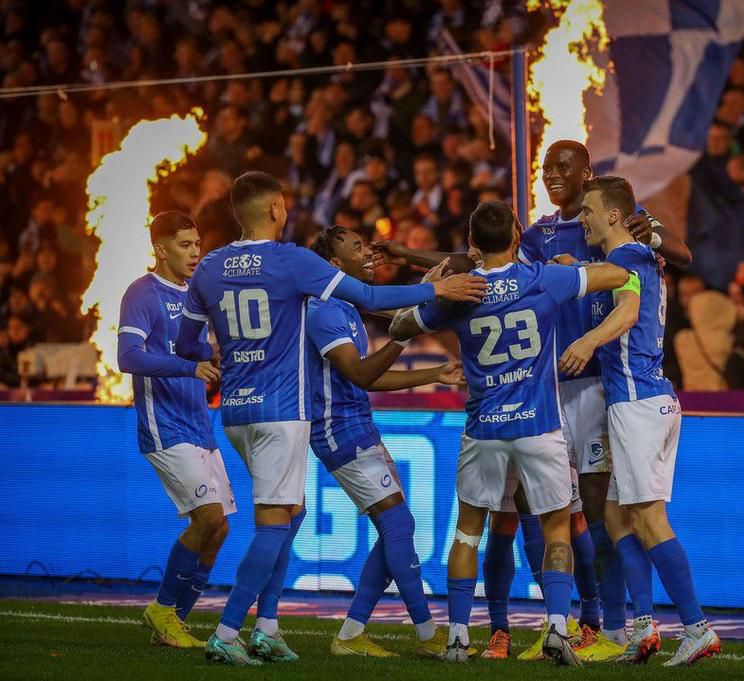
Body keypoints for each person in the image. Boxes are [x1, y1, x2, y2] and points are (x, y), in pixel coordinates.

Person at [372, 140, 691, 662]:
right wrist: (412, 256)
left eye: (562, 167)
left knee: (590, 509)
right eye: (545, 168)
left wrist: (649, 232)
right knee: (536, 514)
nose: (551, 176)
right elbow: (478, 260)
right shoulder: (540, 243)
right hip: (543, 392)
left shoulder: (617, 221)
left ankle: (600, 622)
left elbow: (677, 255)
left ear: (589, 174)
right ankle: (542, 626)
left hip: (587, 384)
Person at [174, 171, 486, 667]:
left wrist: (230, 354)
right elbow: (371, 301)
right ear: (276, 208)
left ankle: (269, 627)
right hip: (287, 412)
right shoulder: (296, 264)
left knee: (290, 516)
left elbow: (186, 345)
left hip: (234, 410)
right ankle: (229, 631)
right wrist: (437, 290)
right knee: (278, 523)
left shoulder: (209, 267)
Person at [389, 200, 631, 666]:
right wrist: (573, 266)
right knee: (556, 528)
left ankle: (459, 637)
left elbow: (400, 324)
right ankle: (559, 629)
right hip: (539, 426)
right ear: (517, 239)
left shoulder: (460, 292)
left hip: (484, 428)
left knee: (466, 533)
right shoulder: (542, 278)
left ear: (472, 245)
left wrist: (428, 290)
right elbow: (617, 278)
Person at [558, 176, 720, 667]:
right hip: (647, 400)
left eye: (586, 210)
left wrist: (587, 342)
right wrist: (579, 269)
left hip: (637, 404)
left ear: (612, 215)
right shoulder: (639, 258)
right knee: (614, 516)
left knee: (649, 519)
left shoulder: (627, 259)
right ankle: (645, 629)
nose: (579, 218)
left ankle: (696, 629)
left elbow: (627, 311)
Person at [304, 226, 460, 658]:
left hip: (359, 425)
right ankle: (428, 635)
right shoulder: (324, 312)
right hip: (338, 432)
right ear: (336, 266)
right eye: (358, 248)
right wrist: (403, 336)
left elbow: (368, 379)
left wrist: (432, 374)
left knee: (395, 527)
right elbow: (359, 373)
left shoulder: (347, 309)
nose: (368, 254)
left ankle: (352, 634)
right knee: (397, 525)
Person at [115, 211, 234, 648]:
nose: (195, 251)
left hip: (200, 425)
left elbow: (205, 356)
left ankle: (174, 620)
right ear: (160, 249)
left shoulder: (198, 297)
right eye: (185, 244)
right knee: (208, 517)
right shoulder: (141, 293)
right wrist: (190, 365)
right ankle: (163, 608)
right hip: (164, 426)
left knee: (220, 528)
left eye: (198, 243)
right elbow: (128, 357)